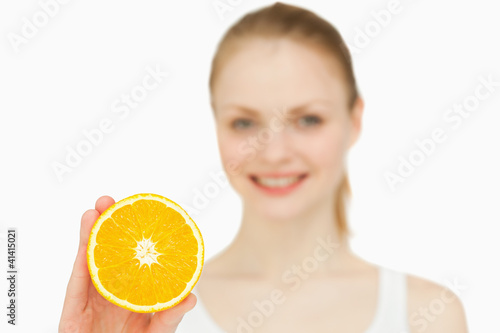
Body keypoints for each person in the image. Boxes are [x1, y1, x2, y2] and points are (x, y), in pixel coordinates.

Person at [59, 2, 469, 332]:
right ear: (216, 123)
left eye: (308, 119)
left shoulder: (428, 315)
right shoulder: (150, 316)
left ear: (355, 120)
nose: (274, 153)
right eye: (245, 122)